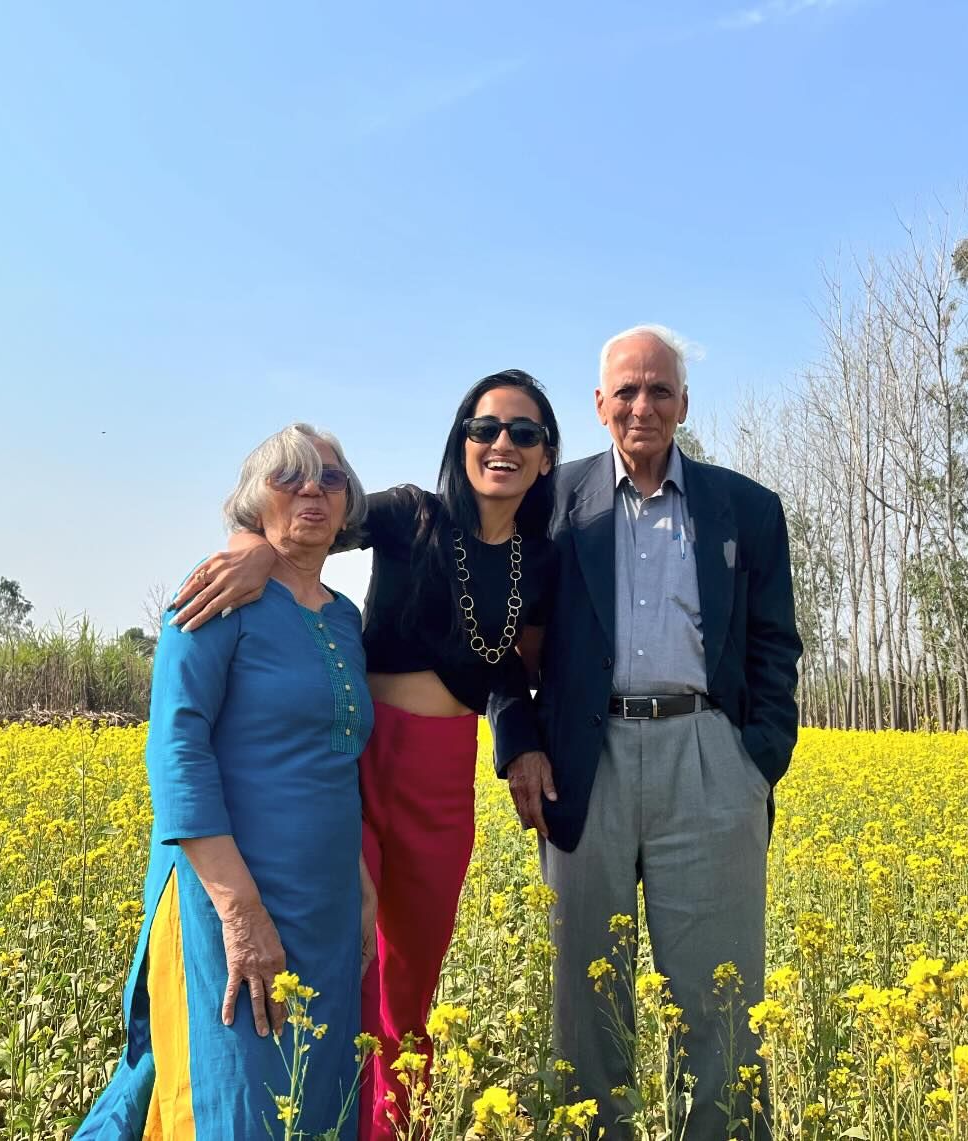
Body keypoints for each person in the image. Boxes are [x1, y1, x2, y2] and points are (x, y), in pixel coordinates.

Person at [171, 370, 561, 1140]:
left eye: (523, 432)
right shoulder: (410, 512)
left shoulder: (539, 562)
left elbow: (514, 669)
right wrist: (250, 550)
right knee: (340, 964)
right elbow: (308, 520)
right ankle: (320, 1117)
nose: (501, 444)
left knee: (411, 984)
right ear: (462, 439)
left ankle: (393, 1127)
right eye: (484, 428)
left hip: (441, 777)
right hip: (352, 764)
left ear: (546, 457)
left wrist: (522, 746)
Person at [491, 326, 803, 1139]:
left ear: (684, 404)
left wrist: (754, 760)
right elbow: (492, 634)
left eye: (660, 389)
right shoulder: (545, 503)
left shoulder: (749, 509)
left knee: (723, 1002)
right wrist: (518, 737)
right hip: (579, 765)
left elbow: (776, 648)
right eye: (625, 391)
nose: (642, 406)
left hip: (707, 757)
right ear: (598, 406)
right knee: (587, 1013)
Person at [76, 424, 376, 1140]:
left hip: (328, 905)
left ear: (347, 505)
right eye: (290, 476)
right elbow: (175, 749)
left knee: (316, 1095)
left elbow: (335, 756)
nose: (312, 489)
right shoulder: (214, 597)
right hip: (230, 897)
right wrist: (240, 913)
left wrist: (360, 878)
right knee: (231, 1095)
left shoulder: (344, 619)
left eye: (330, 479)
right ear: (252, 500)